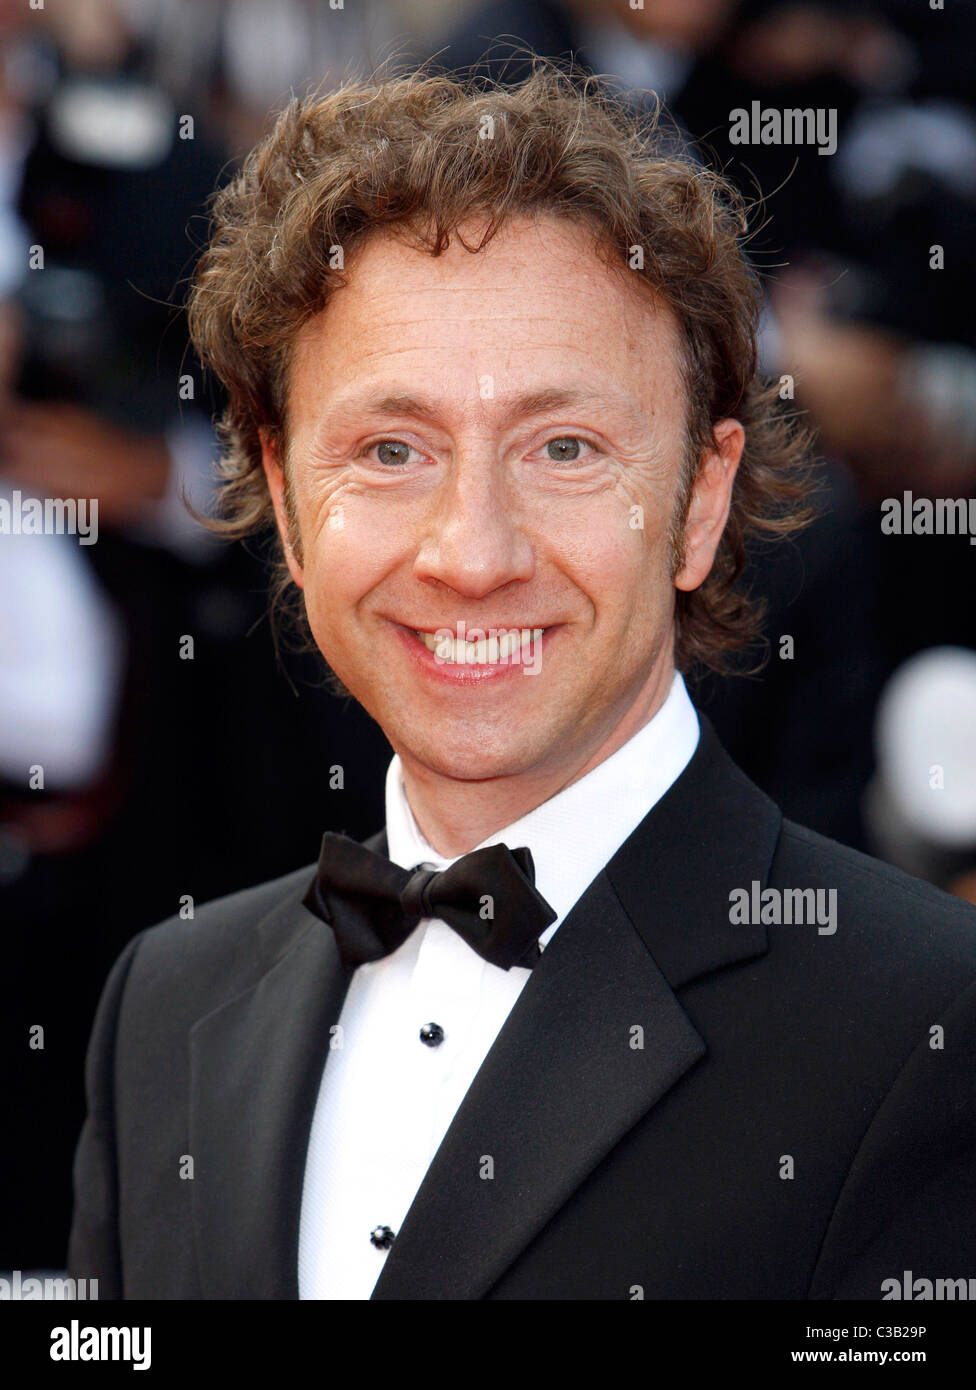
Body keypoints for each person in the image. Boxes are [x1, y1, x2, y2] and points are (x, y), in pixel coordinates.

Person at [67, 65, 976, 1300]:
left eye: (564, 448)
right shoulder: (162, 1007)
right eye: (391, 450)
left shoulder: (928, 1025)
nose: (472, 553)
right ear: (285, 503)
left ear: (699, 503)